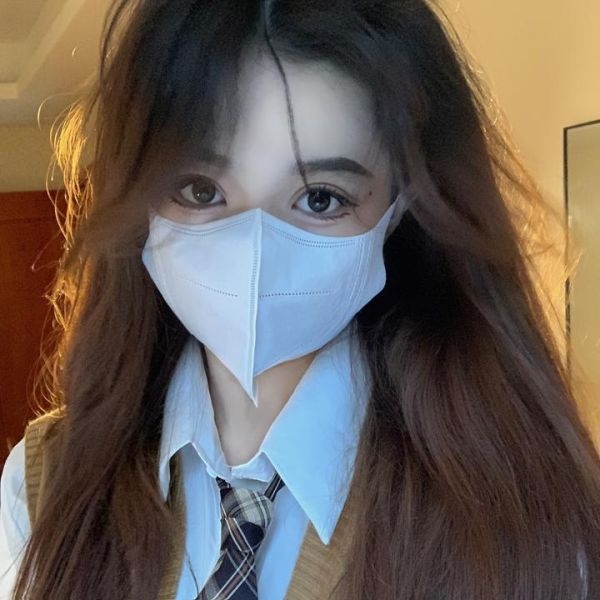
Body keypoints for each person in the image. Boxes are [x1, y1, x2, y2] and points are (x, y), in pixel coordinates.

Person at [1, 0, 599, 598]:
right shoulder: (44, 486)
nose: (254, 246)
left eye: (320, 198)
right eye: (200, 190)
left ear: (399, 212)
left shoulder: (522, 520)